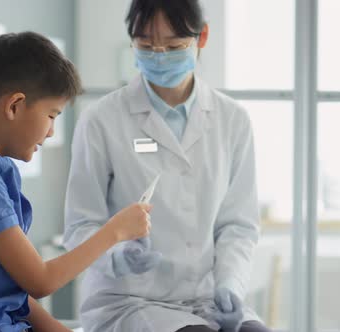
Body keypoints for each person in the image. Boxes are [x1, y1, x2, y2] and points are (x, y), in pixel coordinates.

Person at [0, 31, 154, 332]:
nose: (50, 132)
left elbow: (9, 290)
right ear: (14, 106)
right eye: (51, 115)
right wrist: (115, 230)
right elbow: (40, 280)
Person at [64, 1, 272, 331]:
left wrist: (230, 285)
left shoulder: (232, 119)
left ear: (201, 37)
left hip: (206, 297)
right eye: (146, 46)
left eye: (174, 47)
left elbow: (239, 225)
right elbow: (79, 225)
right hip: (131, 299)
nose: (159, 56)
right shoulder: (101, 120)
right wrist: (117, 255)